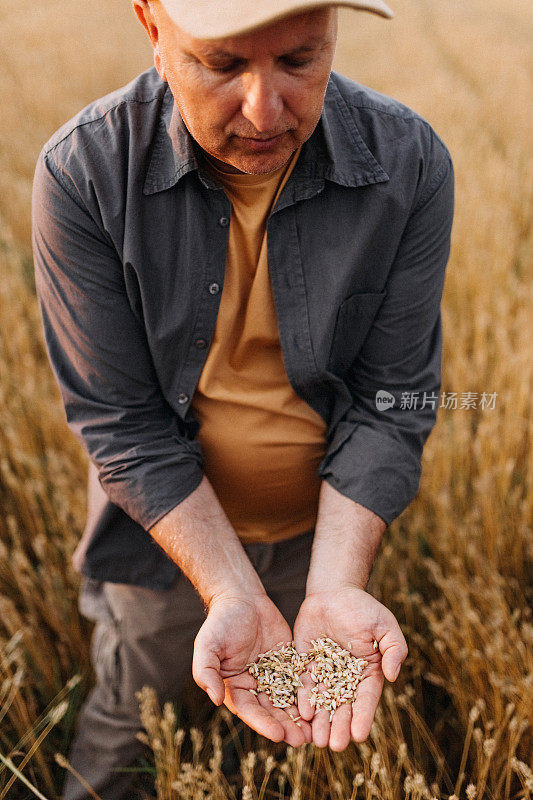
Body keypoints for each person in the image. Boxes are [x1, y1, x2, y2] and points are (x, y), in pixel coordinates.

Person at [32, 0, 454, 797]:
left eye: (299, 60)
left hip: (325, 536)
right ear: (153, 32)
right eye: (222, 65)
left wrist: (334, 583)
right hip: (163, 543)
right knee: (132, 717)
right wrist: (229, 586)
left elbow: (389, 401)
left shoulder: (409, 163)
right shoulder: (82, 172)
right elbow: (122, 425)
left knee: (299, 738)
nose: (265, 111)